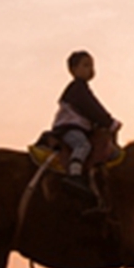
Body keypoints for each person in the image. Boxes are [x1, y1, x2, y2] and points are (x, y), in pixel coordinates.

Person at [53, 50, 119, 201]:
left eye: (91, 66)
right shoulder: (78, 89)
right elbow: (92, 108)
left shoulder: (82, 89)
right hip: (69, 127)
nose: (90, 69)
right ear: (73, 70)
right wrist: (109, 122)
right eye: (85, 65)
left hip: (80, 127)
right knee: (82, 145)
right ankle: (74, 174)